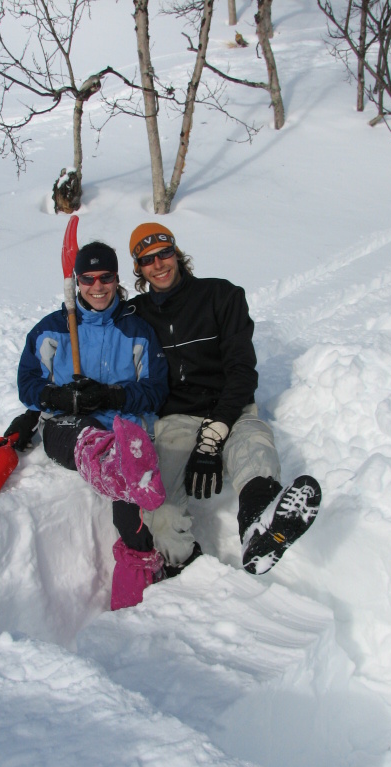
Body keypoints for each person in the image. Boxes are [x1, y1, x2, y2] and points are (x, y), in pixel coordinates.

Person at [128, 222, 322, 576]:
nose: (159, 265)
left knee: (254, 443)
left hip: (231, 407)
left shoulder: (222, 296)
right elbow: (94, 328)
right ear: (139, 269)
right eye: (147, 260)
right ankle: (184, 567)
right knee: (160, 503)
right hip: (176, 420)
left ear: (177, 253)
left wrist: (216, 431)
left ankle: (259, 524)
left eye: (165, 253)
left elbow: (242, 370)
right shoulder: (137, 314)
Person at [4, 241, 169, 610]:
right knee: (88, 440)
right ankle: (112, 461)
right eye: (88, 278)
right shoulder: (51, 330)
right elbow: (28, 384)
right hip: (70, 426)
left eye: (106, 277)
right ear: (77, 281)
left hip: (124, 428)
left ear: (116, 279)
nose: (97, 286)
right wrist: (60, 398)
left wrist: (113, 396)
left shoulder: (137, 331)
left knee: (129, 477)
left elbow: (156, 391)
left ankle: (136, 589)